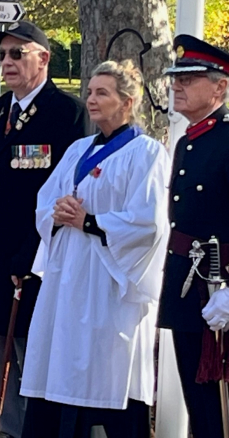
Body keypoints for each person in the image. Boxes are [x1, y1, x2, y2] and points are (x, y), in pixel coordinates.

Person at [20, 60, 170, 438]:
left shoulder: (147, 154)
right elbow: (45, 200)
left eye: (102, 92)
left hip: (110, 281)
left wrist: (90, 220)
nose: (91, 99)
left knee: (107, 368)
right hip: (68, 273)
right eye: (89, 91)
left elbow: (149, 222)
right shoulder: (77, 150)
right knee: (61, 362)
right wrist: (56, 213)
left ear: (128, 101)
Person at [0, 21, 87, 438]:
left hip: (35, 259)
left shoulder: (64, 113)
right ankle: (12, 430)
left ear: (44, 58)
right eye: (3, 55)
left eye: (18, 53)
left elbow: (64, 190)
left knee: (32, 356)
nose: (7, 62)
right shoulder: (2, 108)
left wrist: (30, 254)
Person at [157, 35, 229, 438]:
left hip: (220, 285)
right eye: (175, 79)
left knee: (220, 404)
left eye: (190, 79)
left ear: (220, 87)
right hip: (189, 284)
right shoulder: (187, 141)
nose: (177, 86)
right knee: (198, 400)